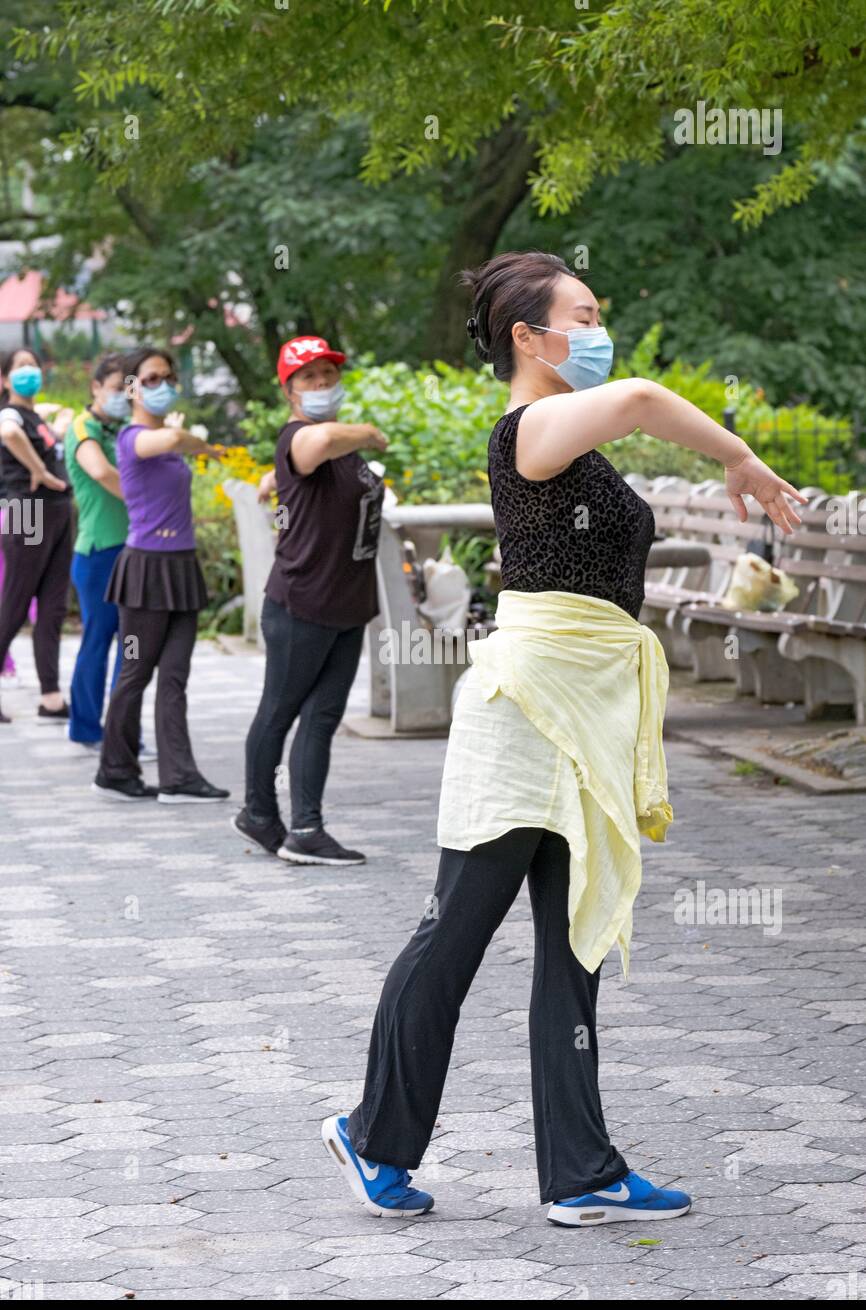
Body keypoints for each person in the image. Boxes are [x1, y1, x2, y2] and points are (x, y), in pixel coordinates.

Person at [321, 250, 808, 1225]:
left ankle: (579, 1173)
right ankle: (372, 1133)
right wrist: (734, 455)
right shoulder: (531, 428)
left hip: (582, 709)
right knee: (454, 931)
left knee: (573, 939)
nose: (596, 330)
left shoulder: (569, 444)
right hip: (525, 712)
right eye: (580, 315)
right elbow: (633, 393)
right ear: (527, 338)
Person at [232, 335, 388, 865]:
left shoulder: (341, 451)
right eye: (308, 378)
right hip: (302, 604)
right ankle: (257, 813)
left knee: (321, 719)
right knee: (278, 712)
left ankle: (305, 828)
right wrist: (370, 434)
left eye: (328, 375)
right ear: (289, 391)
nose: (322, 385)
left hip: (347, 605)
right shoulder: (301, 435)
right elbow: (310, 449)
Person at [92, 346, 229, 803]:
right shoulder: (133, 438)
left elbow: (174, 444)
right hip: (146, 570)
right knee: (135, 673)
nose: (163, 385)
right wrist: (203, 444)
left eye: (168, 376)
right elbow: (170, 441)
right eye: (151, 378)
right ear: (130, 387)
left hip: (181, 566)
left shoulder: (167, 440)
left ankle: (179, 776)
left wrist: (195, 443)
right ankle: (114, 769)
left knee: (174, 677)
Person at [65, 353, 151, 753]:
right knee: (98, 641)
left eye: (129, 389)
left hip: (133, 549)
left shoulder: (122, 429)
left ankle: (123, 732)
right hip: (100, 553)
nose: (123, 396)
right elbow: (99, 472)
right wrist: (147, 501)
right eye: (117, 388)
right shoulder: (83, 428)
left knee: (131, 645)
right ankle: (86, 728)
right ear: (95, 387)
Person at [0, 346, 72, 724]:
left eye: (34, 364)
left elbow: (44, 440)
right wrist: (39, 472)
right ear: (4, 378)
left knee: (52, 606)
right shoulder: (12, 413)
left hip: (57, 510)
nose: (30, 371)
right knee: (14, 602)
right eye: (21, 366)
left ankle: (51, 696)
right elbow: (8, 432)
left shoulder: (34, 416)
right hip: (25, 510)